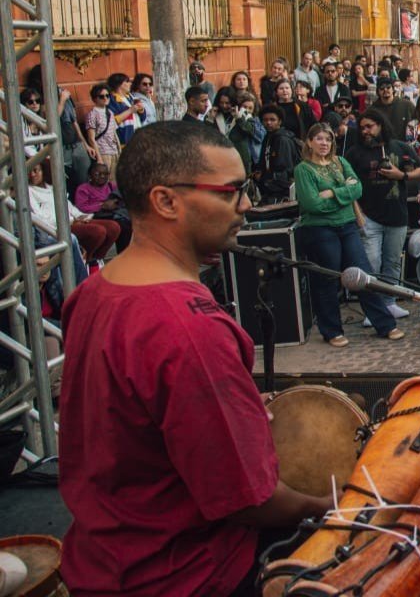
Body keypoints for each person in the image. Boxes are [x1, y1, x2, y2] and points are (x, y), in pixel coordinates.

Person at [58, 121, 328, 596]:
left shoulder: (95, 292)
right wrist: (327, 504)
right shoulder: (189, 330)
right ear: (165, 201)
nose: (246, 205)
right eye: (230, 192)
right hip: (186, 575)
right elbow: (249, 500)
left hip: (104, 561)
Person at [293, 123, 403, 346]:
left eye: (328, 139)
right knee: (328, 279)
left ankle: (384, 324)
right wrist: (343, 195)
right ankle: (332, 330)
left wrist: (332, 193)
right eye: (320, 139)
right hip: (320, 229)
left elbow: (358, 188)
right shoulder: (303, 169)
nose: (324, 143)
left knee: (364, 276)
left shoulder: (340, 162)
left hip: (347, 226)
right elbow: (312, 204)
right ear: (310, 142)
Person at [345, 111, 420, 321]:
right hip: (369, 216)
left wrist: (402, 176)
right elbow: (346, 184)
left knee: (392, 262)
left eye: (370, 126)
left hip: (397, 215)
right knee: (371, 263)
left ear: (381, 125)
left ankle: (389, 303)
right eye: (362, 127)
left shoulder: (399, 147)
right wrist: (358, 214)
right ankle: (373, 309)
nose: (365, 131)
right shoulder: (354, 153)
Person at [255, 106, 301, 204]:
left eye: (272, 120)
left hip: (281, 191)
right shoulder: (268, 137)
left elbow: (285, 169)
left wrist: (264, 178)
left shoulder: (282, 140)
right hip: (270, 188)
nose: (268, 123)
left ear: (279, 121)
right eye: (265, 120)